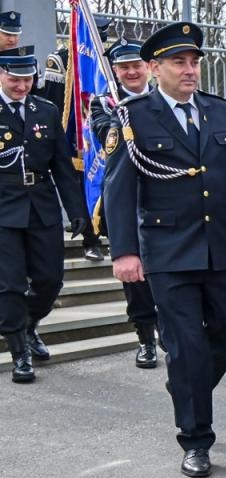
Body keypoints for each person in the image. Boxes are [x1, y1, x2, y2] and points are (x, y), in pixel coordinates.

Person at [103, 22, 226, 477]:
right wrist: (125, 252)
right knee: (188, 345)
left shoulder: (219, 111)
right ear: (155, 68)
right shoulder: (133, 116)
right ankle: (196, 439)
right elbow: (119, 189)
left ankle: (185, 384)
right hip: (167, 250)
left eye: (194, 61)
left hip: (223, 246)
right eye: (179, 62)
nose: (190, 70)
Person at [0, 46, 87, 382]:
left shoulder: (46, 110)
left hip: (42, 205)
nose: (22, 86)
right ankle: (19, 351)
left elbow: (62, 167)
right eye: (14, 79)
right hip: (4, 209)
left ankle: (29, 323)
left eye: (27, 79)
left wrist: (77, 211)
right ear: (1, 75)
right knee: (8, 285)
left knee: (50, 280)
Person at [89, 43, 161, 368]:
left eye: (136, 65)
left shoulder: (164, 100)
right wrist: (125, 114)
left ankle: (174, 334)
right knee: (136, 281)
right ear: (115, 71)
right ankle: (146, 338)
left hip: (166, 200)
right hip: (128, 202)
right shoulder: (103, 104)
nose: (131, 72)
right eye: (124, 68)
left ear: (148, 67)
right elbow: (107, 138)